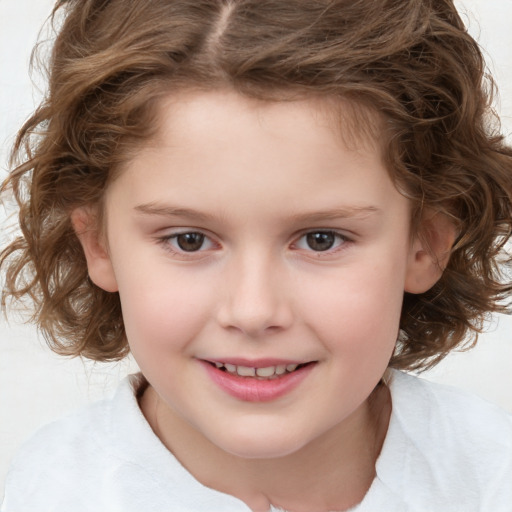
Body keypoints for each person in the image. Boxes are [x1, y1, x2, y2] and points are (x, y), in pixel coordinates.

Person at [1, 0, 512, 510]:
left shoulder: (492, 478)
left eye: (320, 239)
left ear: (426, 242)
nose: (253, 311)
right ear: (99, 244)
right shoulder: (42, 495)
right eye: (189, 240)